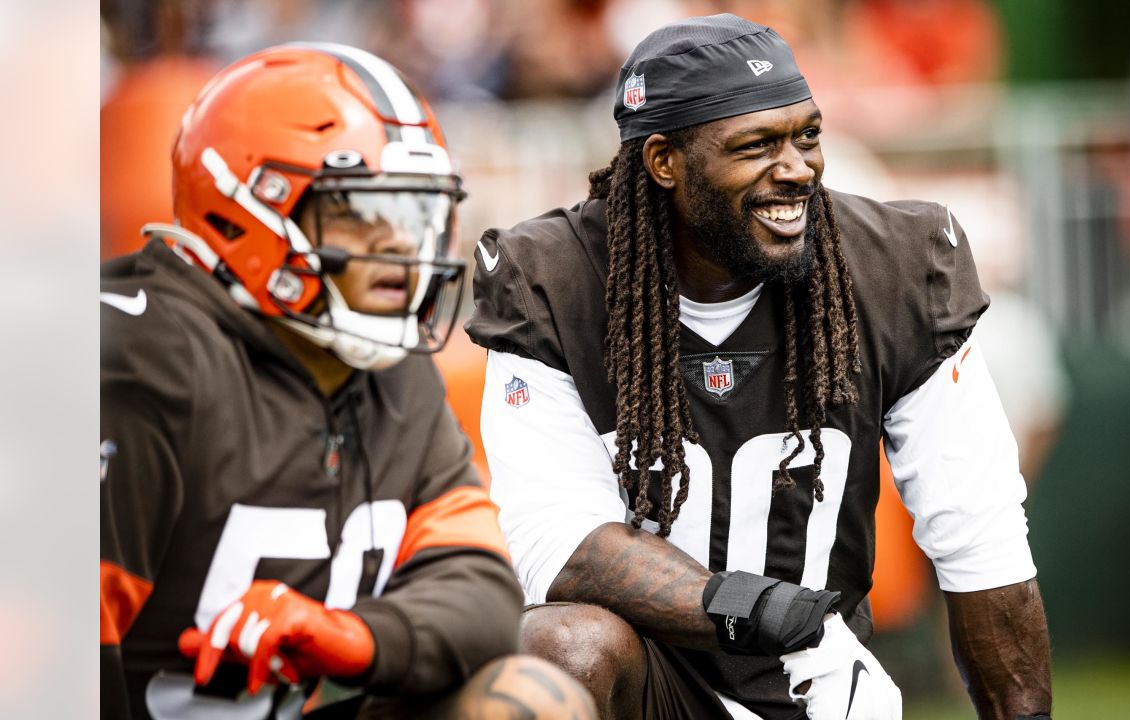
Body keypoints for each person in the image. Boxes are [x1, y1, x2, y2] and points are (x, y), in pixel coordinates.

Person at [467, 14, 1051, 720]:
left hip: (822, 687)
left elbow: (979, 538)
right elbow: (562, 546)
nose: (797, 168)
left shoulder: (893, 268)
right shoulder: (553, 281)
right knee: (558, 648)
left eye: (806, 136)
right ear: (663, 161)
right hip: (659, 690)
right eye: (756, 145)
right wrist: (775, 613)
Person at [100, 43, 597, 720]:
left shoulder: (393, 372)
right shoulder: (141, 357)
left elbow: (482, 595)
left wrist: (354, 636)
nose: (405, 247)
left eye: (415, 215)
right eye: (363, 212)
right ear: (244, 212)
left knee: (533, 701)